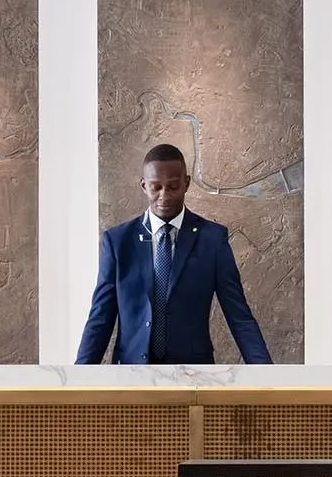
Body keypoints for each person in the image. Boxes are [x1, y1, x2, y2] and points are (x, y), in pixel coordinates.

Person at [76, 143, 273, 365]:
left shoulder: (212, 240)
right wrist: (77, 382)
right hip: (131, 376)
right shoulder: (118, 242)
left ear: (186, 183)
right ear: (143, 186)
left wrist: (266, 377)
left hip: (194, 375)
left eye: (172, 186)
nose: (164, 196)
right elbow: (100, 317)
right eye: (155, 187)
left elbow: (239, 317)